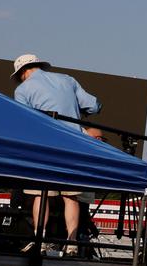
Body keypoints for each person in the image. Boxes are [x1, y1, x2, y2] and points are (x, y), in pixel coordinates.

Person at [10, 53, 104, 246]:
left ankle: (39, 238)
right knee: (71, 197)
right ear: (39, 66)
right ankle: (71, 242)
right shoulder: (67, 80)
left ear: (22, 73)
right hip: (74, 145)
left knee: (40, 194)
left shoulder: (22, 90)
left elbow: (23, 121)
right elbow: (93, 106)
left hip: (46, 146)